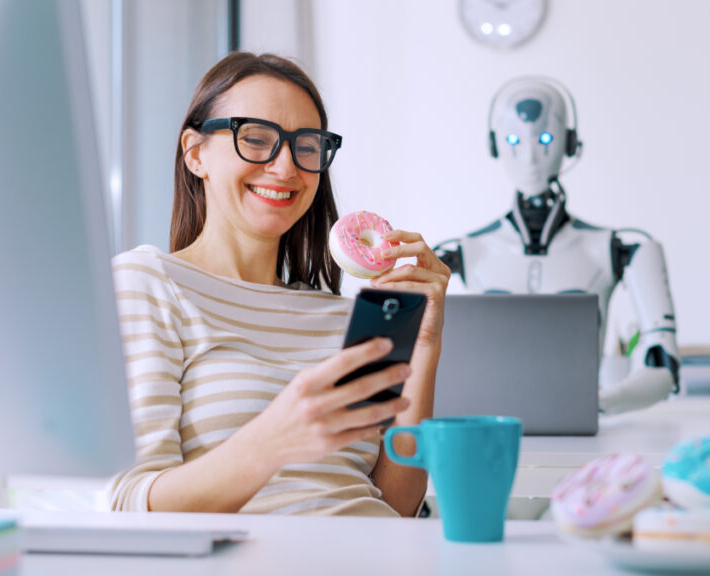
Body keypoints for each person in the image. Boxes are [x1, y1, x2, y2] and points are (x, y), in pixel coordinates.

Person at [108, 52, 450, 517]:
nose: (286, 168)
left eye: (306, 145)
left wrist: (424, 344)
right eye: (255, 138)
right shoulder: (149, 282)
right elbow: (131, 506)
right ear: (195, 153)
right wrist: (272, 441)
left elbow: (397, 505)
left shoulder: (348, 317)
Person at [433, 76, 679, 415]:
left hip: (587, 428)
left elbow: (664, 368)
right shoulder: (461, 251)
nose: (531, 157)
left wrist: (601, 403)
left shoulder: (623, 249)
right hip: (491, 426)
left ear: (570, 142)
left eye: (545, 138)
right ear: (495, 146)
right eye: (514, 140)